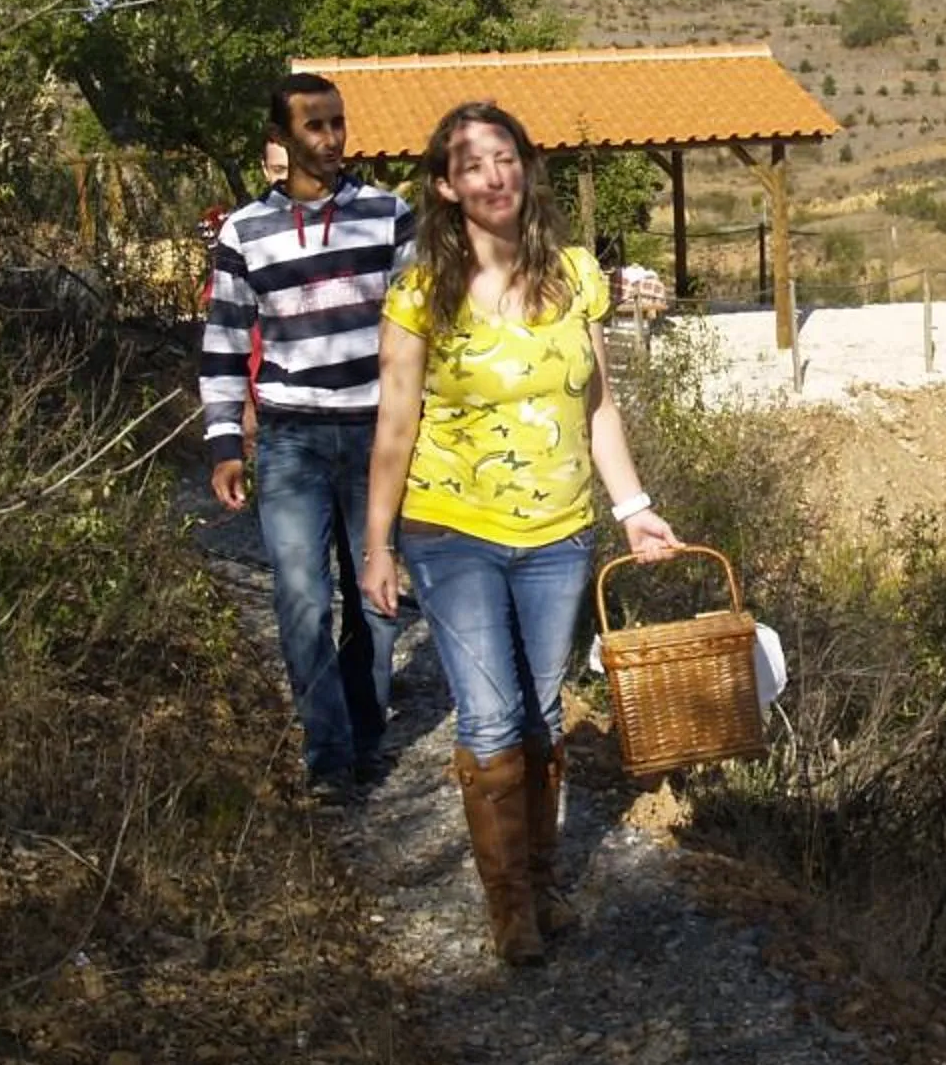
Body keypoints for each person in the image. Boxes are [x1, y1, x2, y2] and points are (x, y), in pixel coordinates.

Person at [362, 100, 678, 966]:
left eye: (504, 158)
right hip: (450, 528)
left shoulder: (576, 276)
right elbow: (393, 422)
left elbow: (598, 405)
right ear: (445, 185)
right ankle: (509, 909)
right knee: (494, 713)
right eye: (472, 164)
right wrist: (378, 541)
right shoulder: (422, 291)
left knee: (541, 707)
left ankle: (541, 884)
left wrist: (631, 507)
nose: (492, 177)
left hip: (562, 533)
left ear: (524, 169)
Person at [202, 72, 413, 801]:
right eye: (314, 127)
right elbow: (225, 342)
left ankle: (365, 733)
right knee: (299, 598)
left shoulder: (389, 216)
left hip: (377, 437)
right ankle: (329, 759)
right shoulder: (242, 233)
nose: (330, 140)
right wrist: (224, 441)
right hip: (291, 437)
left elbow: (425, 332)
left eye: (337, 124)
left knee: (374, 598)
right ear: (281, 139)